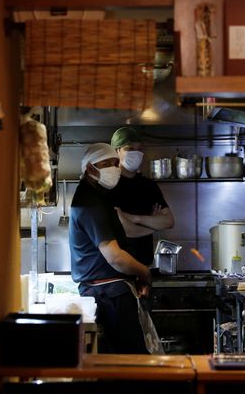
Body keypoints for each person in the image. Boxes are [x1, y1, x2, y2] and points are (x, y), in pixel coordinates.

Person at [69, 142, 152, 354]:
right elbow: (115, 257)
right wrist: (144, 272)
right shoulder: (90, 202)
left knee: (123, 362)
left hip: (108, 292)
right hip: (109, 295)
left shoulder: (96, 197)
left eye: (116, 163)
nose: (114, 169)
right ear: (90, 169)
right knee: (130, 363)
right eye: (107, 164)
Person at [109, 127, 174, 266]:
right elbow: (125, 230)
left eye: (139, 149)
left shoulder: (149, 186)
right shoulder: (109, 185)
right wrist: (153, 224)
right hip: (119, 266)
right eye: (130, 149)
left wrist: (135, 218)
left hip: (145, 264)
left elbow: (168, 221)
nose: (136, 154)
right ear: (116, 151)